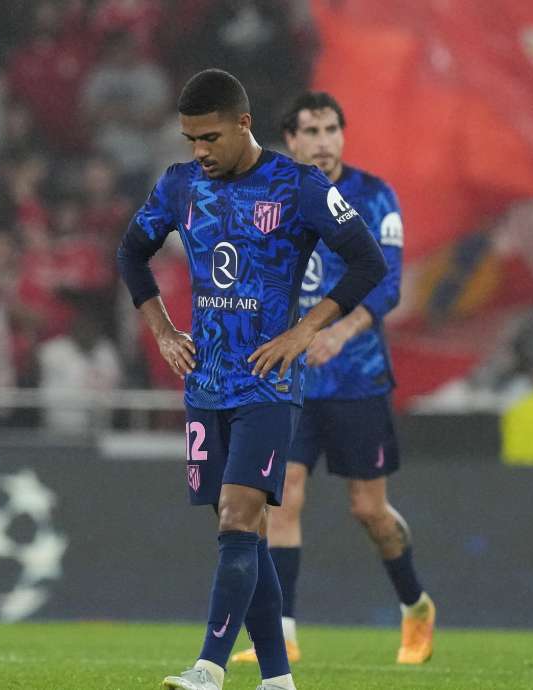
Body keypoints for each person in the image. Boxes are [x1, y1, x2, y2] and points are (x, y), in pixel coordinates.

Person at [117, 70, 386, 690]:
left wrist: (305, 331)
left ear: (244, 124)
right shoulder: (180, 185)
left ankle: (209, 667)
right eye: (190, 140)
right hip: (204, 383)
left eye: (209, 137)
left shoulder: (297, 185)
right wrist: (161, 330)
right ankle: (277, 679)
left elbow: (367, 260)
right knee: (248, 535)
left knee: (237, 521)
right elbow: (131, 252)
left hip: (266, 384)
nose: (199, 152)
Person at [231, 92, 435, 666]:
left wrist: (339, 334)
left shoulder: (374, 197)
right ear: (290, 141)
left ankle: (415, 605)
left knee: (368, 510)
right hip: (291, 382)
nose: (322, 140)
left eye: (330, 129)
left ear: (343, 135)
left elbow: (388, 283)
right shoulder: (271, 199)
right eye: (310, 131)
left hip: (357, 379)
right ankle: (284, 635)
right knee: (283, 495)